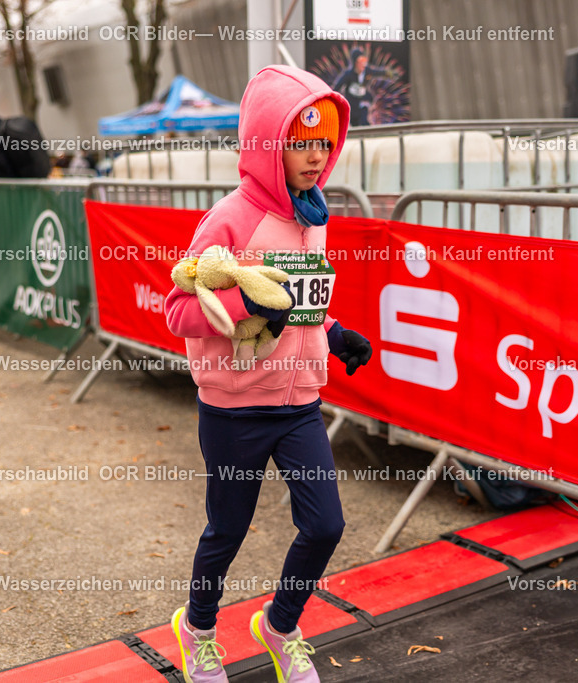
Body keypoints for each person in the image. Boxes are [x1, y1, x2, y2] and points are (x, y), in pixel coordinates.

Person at [165, 65, 372, 683]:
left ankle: (280, 626)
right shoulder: (228, 218)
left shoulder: (315, 216)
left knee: (326, 524)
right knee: (227, 528)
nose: (316, 157)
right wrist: (243, 305)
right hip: (234, 408)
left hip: (299, 404)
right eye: (301, 142)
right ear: (266, 143)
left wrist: (335, 335)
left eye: (323, 144)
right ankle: (198, 629)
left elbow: (300, 305)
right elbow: (179, 310)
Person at [331, 48, 389, 127]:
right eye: (360, 62)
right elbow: (337, 86)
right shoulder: (348, 74)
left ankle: (367, 130)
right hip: (352, 103)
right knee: (354, 122)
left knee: (364, 119)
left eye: (364, 61)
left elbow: (377, 72)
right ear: (355, 63)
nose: (363, 64)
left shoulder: (367, 71)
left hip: (363, 100)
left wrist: (388, 73)